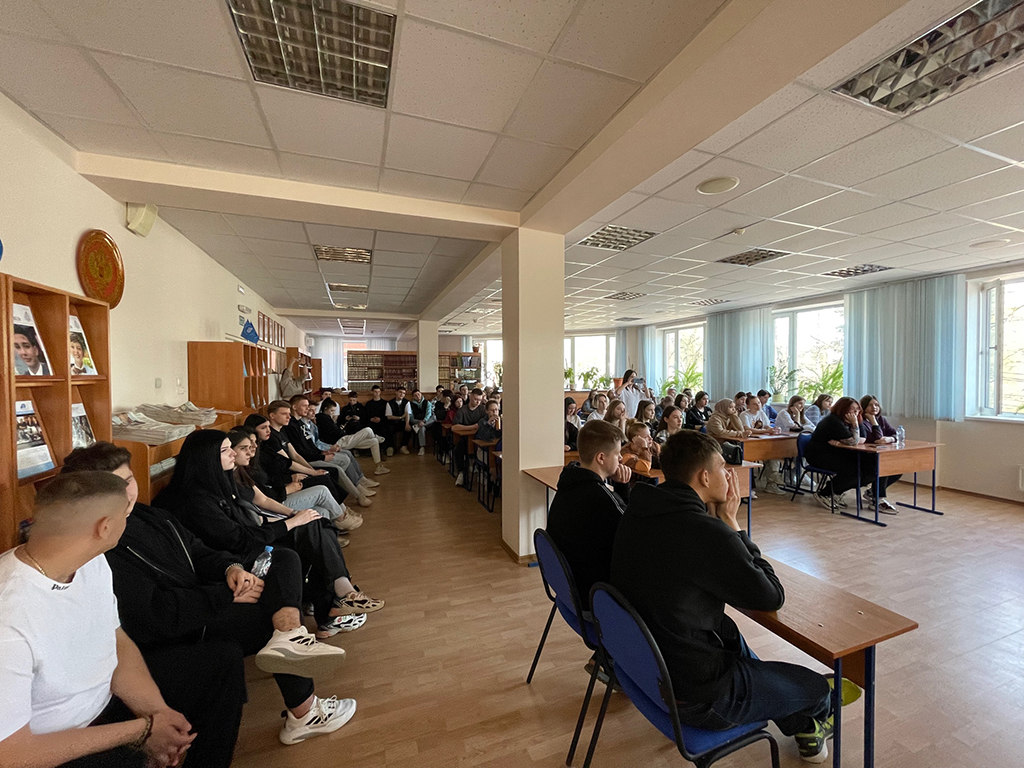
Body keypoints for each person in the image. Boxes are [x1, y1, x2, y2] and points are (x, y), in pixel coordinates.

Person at [60, 445, 353, 749]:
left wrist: (232, 569)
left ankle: (290, 634)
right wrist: (224, 594)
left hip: (205, 593)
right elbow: (156, 616)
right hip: (184, 626)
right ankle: (304, 711)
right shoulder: (104, 547)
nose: (126, 493)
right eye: (114, 486)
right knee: (266, 616)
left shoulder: (148, 515)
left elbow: (198, 550)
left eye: (129, 480)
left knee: (284, 559)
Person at [610, 431, 837, 763]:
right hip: (698, 694)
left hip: (650, 667)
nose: (729, 474)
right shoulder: (707, 533)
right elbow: (771, 595)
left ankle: (799, 721)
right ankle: (811, 719)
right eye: (722, 467)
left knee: (733, 634)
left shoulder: (638, 510)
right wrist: (732, 522)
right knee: (817, 688)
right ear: (704, 477)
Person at [153, 430, 384, 637]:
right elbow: (239, 539)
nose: (233, 454)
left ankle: (339, 599)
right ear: (206, 458)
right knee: (309, 532)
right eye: (225, 450)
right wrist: (289, 523)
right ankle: (336, 603)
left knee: (315, 525)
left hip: (247, 539)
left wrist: (291, 518)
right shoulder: (197, 500)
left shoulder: (221, 481)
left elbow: (248, 518)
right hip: (231, 558)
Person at [546, 420, 631, 614]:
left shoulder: (569, 481)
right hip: (593, 599)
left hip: (567, 590)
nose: (621, 459)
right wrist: (623, 488)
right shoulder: (601, 499)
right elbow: (631, 532)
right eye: (617, 454)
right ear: (601, 457)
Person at [226, 428, 362, 538]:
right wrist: (288, 492)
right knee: (322, 490)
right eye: (244, 448)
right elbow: (260, 506)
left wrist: (293, 511)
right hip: (273, 507)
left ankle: (329, 536)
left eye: (253, 444)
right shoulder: (235, 475)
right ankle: (342, 518)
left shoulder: (243, 469)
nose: (252, 449)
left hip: (277, 495)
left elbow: (266, 493)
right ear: (231, 451)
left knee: (322, 509)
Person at [279, 398, 374, 508]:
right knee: (339, 467)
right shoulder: (291, 426)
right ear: (294, 407)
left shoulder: (300, 424)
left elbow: (310, 445)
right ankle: (357, 494)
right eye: (305, 406)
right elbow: (299, 453)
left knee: (345, 457)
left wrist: (323, 452)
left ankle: (357, 484)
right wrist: (321, 457)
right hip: (308, 460)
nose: (308, 409)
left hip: (314, 456)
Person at [804, 396, 868, 510]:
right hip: (819, 455)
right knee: (852, 472)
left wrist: (850, 436)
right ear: (843, 409)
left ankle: (836, 492)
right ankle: (824, 494)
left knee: (868, 467)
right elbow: (854, 441)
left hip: (836, 453)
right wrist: (854, 427)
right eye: (852, 409)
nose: (856, 412)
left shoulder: (855, 419)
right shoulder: (833, 420)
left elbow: (863, 438)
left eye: (858, 409)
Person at [321, 396, 389, 474]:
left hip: (344, 439)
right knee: (368, 430)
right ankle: (376, 436)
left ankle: (379, 467)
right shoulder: (323, 418)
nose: (333, 413)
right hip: (339, 442)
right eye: (332, 411)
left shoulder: (327, 418)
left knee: (374, 441)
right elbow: (332, 433)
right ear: (325, 409)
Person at [858, 395, 902, 513]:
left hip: (878, 455)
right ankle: (877, 500)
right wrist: (873, 421)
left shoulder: (881, 419)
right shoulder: (860, 420)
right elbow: (875, 438)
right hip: (863, 456)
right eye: (870, 405)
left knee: (898, 469)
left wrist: (889, 439)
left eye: (876, 405)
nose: (874, 407)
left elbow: (895, 434)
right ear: (863, 407)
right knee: (883, 466)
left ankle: (872, 492)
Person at [453, 388, 487, 487]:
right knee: (458, 449)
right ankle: (461, 472)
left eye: (480, 400)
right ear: (470, 397)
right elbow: (454, 427)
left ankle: (483, 473)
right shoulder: (462, 410)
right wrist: (472, 427)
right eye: (475, 399)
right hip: (466, 437)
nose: (477, 402)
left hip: (480, 437)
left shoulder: (482, 409)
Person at [385, 387, 412, 456]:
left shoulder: (407, 402)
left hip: (402, 422)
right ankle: (390, 447)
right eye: (400, 392)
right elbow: (389, 416)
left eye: (404, 393)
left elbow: (407, 414)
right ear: (396, 392)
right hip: (392, 422)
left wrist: (407, 424)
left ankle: (403, 447)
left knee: (408, 428)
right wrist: (400, 417)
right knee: (388, 428)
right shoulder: (389, 403)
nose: (402, 394)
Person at [408, 389, 434, 455]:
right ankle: (422, 447)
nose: (417, 396)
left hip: (427, 421)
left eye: (418, 394)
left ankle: (420, 425)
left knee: (434, 417)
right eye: (415, 395)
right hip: (417, 421)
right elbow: (411, 416)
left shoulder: (427, 402)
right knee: (421, 428)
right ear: (413, 397)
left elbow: (428, 413)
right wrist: (418, 421)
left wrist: (424, 421)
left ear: (421, 394)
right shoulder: (410, 404)